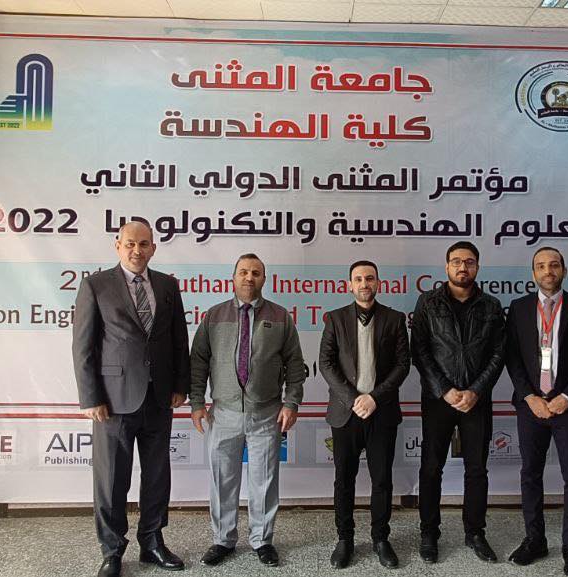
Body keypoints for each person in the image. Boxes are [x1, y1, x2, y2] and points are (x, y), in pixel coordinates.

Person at [72, 221, 190, 577]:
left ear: (153, 247)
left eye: (144, 244)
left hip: (159, 397)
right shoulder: (95, 285)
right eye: (130, 244)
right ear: (117, 246)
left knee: (157, 476)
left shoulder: (167, 285)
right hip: (113, 401)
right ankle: (112, 551)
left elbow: (178, 339)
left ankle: (152, 542)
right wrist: (90, 397)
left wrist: (180, 385)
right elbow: (83, 347)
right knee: (112, 480)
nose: (137, 250)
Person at [189, 253, 305, 568]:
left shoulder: (280, 316)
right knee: (222, 480)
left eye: (255, 273)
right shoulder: (214, 316)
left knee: (264, 481)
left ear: (264, 279)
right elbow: (198, 361)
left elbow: (295, 364)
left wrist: (291, 402)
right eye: (243, 272)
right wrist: (197, 403)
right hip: (223, 413)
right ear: (234, 277)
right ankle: (223, 540)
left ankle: (262, 540)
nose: (249, 278)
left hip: (267, 413)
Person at [505, 247, 568, 577]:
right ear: (533, 273)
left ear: (564, 270)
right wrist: (529, 396)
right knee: (530, 474)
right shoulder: (518, 308)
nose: (548, 271)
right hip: (531, 406)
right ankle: (535, 540)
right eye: (541, 266)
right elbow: (512, 357)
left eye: (554, 265)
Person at [411, 241, 505, 564]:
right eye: (456, 261)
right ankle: (429, 532)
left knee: (476, 469)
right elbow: (420, 350)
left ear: (477, 266)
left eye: (469, 262)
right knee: (431, 468)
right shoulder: (428, 303)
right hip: (438, 399)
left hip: (476, 400)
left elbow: (498, 353)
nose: (462, 267)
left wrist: (476, 391)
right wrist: (444, 389)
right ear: (447, 266)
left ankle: (475, 532)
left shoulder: (492, 306)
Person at [319, 260, 410, 569]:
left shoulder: (395, 319)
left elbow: (403, 364)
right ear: (350, 285)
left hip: (381, 412)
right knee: (344, 480)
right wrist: (354, 399)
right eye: (358, 279)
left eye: (369, 278)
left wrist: (374, 398)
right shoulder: (335, 319)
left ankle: (381, 539)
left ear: (378, 283)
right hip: (345, 413)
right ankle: (344, 539)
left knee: (382, 480)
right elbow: (326, 363)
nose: (364, 283)